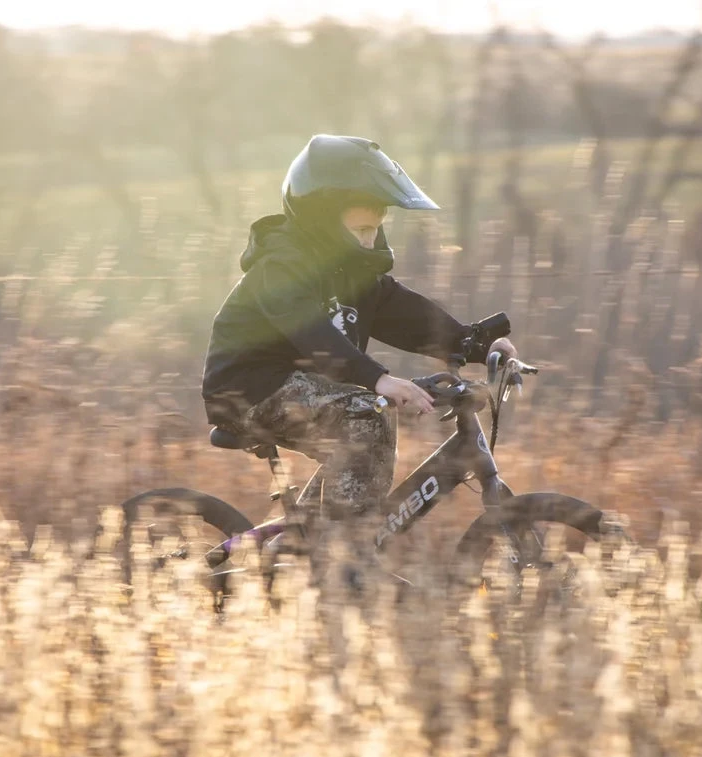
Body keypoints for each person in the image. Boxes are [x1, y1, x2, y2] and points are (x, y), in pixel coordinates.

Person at [201, 134, 515, 548]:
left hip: (307, 389)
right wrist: (378, 378)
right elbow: (309, 331)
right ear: (322, 223)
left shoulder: (354, 275)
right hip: (247, 390)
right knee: (368, 416)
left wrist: (475, 345)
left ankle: (306, 548)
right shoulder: (280, 267)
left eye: (376, 230)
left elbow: (406, 315)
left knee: (364, 416)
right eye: (361, 229)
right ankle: (347, 561)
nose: (370, 241)